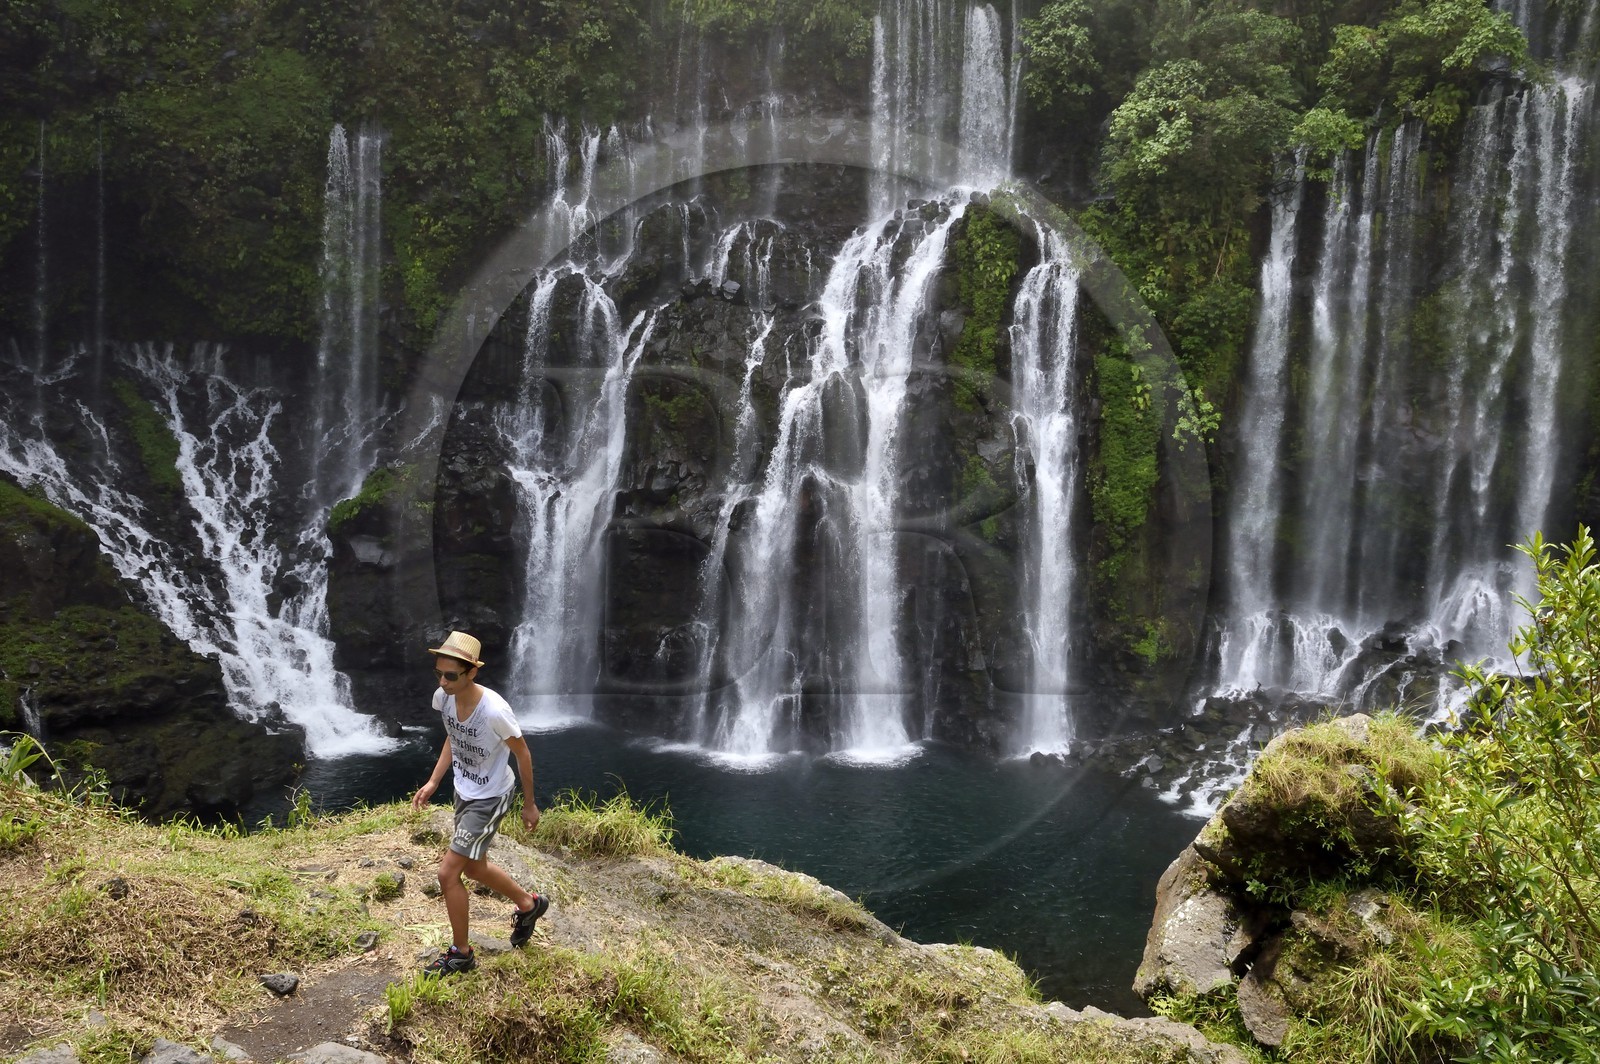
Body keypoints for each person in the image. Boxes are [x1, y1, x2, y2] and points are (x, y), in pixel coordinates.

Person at [411, 631, 549, 975]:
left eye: (451, 675)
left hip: (490, 798)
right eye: (439, 674)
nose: (443, 681)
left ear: (472, 672)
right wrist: (433, 781)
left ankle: (461, 953)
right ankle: (528, 903)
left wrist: (529, 804)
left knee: (448, 873)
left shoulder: (495, 711)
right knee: (474, 868)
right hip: (464, 790)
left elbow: (524, 754)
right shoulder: (444, 697)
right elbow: (453, 736)